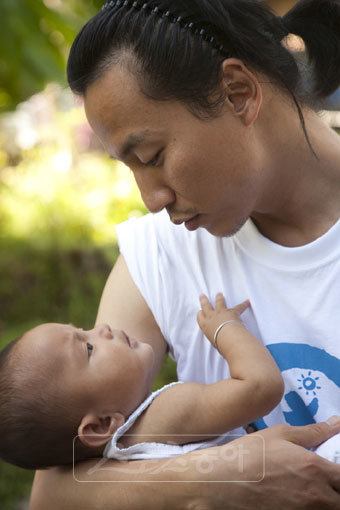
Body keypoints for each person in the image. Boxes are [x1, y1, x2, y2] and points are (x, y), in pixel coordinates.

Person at [30, 0, 340, 508]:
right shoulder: (161, 254)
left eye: (152, 157)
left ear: (238, 93)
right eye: (130, 167)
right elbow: (56, 491)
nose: (152, 198)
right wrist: (221, 474)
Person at [0, 294, 284, 469]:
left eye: (83, 330)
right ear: (101, 425)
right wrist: (225, 327)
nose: (102, 328)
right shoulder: (169, 412)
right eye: (88, 347)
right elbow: (261, 387)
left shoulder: (118, 457)